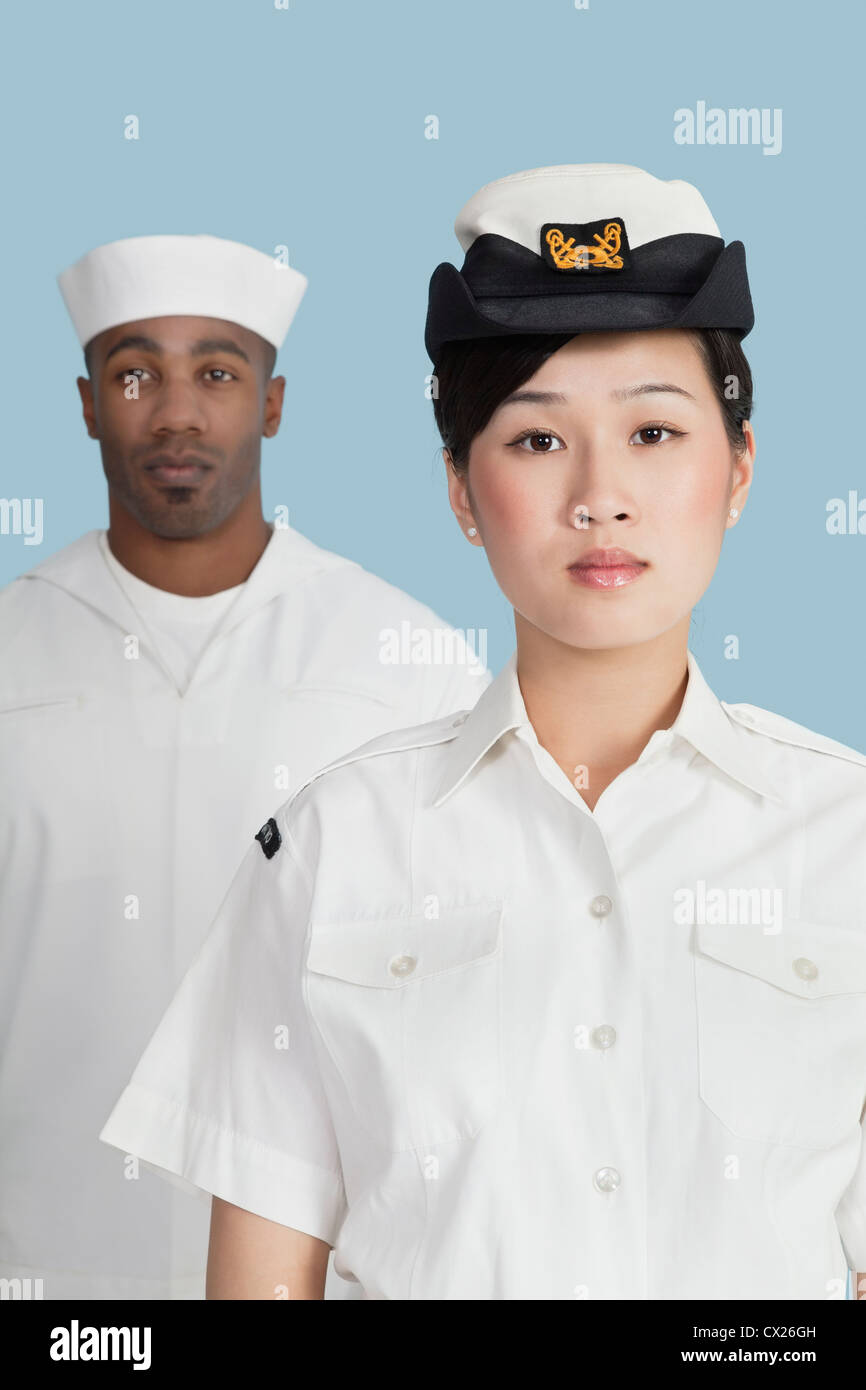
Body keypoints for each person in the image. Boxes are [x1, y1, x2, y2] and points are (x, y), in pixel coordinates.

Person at [98, 168, 866, 1300]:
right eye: (536, 441)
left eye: (653, 430)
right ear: (459, 489)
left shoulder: (843, 839)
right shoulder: (330, 848)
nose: (600, 497)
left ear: (737, 469)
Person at [0, 232, 490, 1301]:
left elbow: (475, 1001)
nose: (176, 411)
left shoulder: (400, 659)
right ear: (87, 403)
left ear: (271, 402)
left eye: (217, 373)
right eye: (136, 373)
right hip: (43, 1271)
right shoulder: (10, 647)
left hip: (328, 1272)